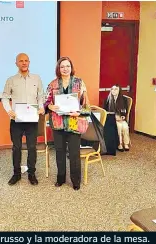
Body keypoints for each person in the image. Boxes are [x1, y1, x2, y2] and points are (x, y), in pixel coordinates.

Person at [44, 57, 90, 190]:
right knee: (59, 152)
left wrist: (79, 112)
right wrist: (50, 107)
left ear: (71, 67)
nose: (65, 69)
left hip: (74, 123)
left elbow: (87, 104)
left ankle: (76, 181)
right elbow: (45, 102)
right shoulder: (52, 84)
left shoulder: (79, 83)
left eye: (67, 66)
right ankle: (61, 178)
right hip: (57, 123)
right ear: (58, 69)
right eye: (62, 66)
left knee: (74, 153)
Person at [2, 53, 45, 186]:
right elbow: (4, 97)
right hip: (17, 120)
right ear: (16, 63)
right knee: (16, 147)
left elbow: (40, 96)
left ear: (29, 62)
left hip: (32, 119)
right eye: (21, 61)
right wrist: (9, 111)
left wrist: (41, 107)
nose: (24, 63)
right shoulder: (11, 80)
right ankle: (16, 174)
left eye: (26, 60)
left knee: (32, 147)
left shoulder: (37, 79)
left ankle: (32, 173)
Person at [103, 85, 130, 152]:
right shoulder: (108, 99)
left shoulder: (123, 99)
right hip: (112, 119)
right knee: (119, 126)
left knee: (125, 126)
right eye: (112, 89)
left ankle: (126, 144)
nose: (113, 91)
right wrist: (114, 117)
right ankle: (119, 144)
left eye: (116, 89)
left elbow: (125, 110)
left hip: (120, 118)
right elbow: (105, 111)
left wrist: (123, 116)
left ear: (119, 90)